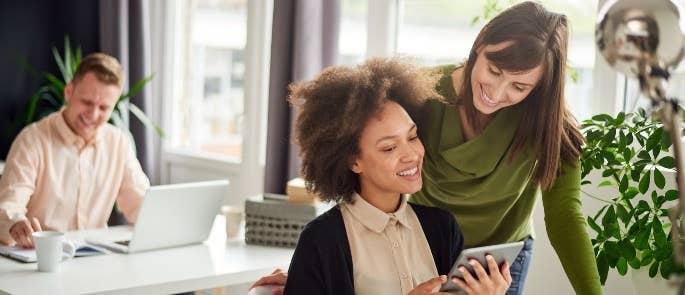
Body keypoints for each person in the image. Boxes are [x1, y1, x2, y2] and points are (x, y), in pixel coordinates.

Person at [253, 2, 601, 295]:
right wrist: (319, 271)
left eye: (520, 86)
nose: (497, 92)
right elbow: (361, 151)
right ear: (480, 45)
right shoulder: (423, 93)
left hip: (497, 263)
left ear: (539, 88)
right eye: (494, 70)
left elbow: (565, 217)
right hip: (421, 247)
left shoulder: (548, 124)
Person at [272, 58, 512, 295]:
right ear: (353, 161)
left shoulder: (442, 227)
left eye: (412, 137)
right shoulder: (321, 239)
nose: (411, 155)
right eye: (389, 147)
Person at [0, 53, 150, 247]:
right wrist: (15, 223)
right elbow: (7, 208)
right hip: (40, 258)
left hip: (95, 259)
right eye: (87, 102)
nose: (93, 114)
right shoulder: (32, 141)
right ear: (69, 91)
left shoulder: (118, 143)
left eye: (104, 108)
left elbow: (142, 206)